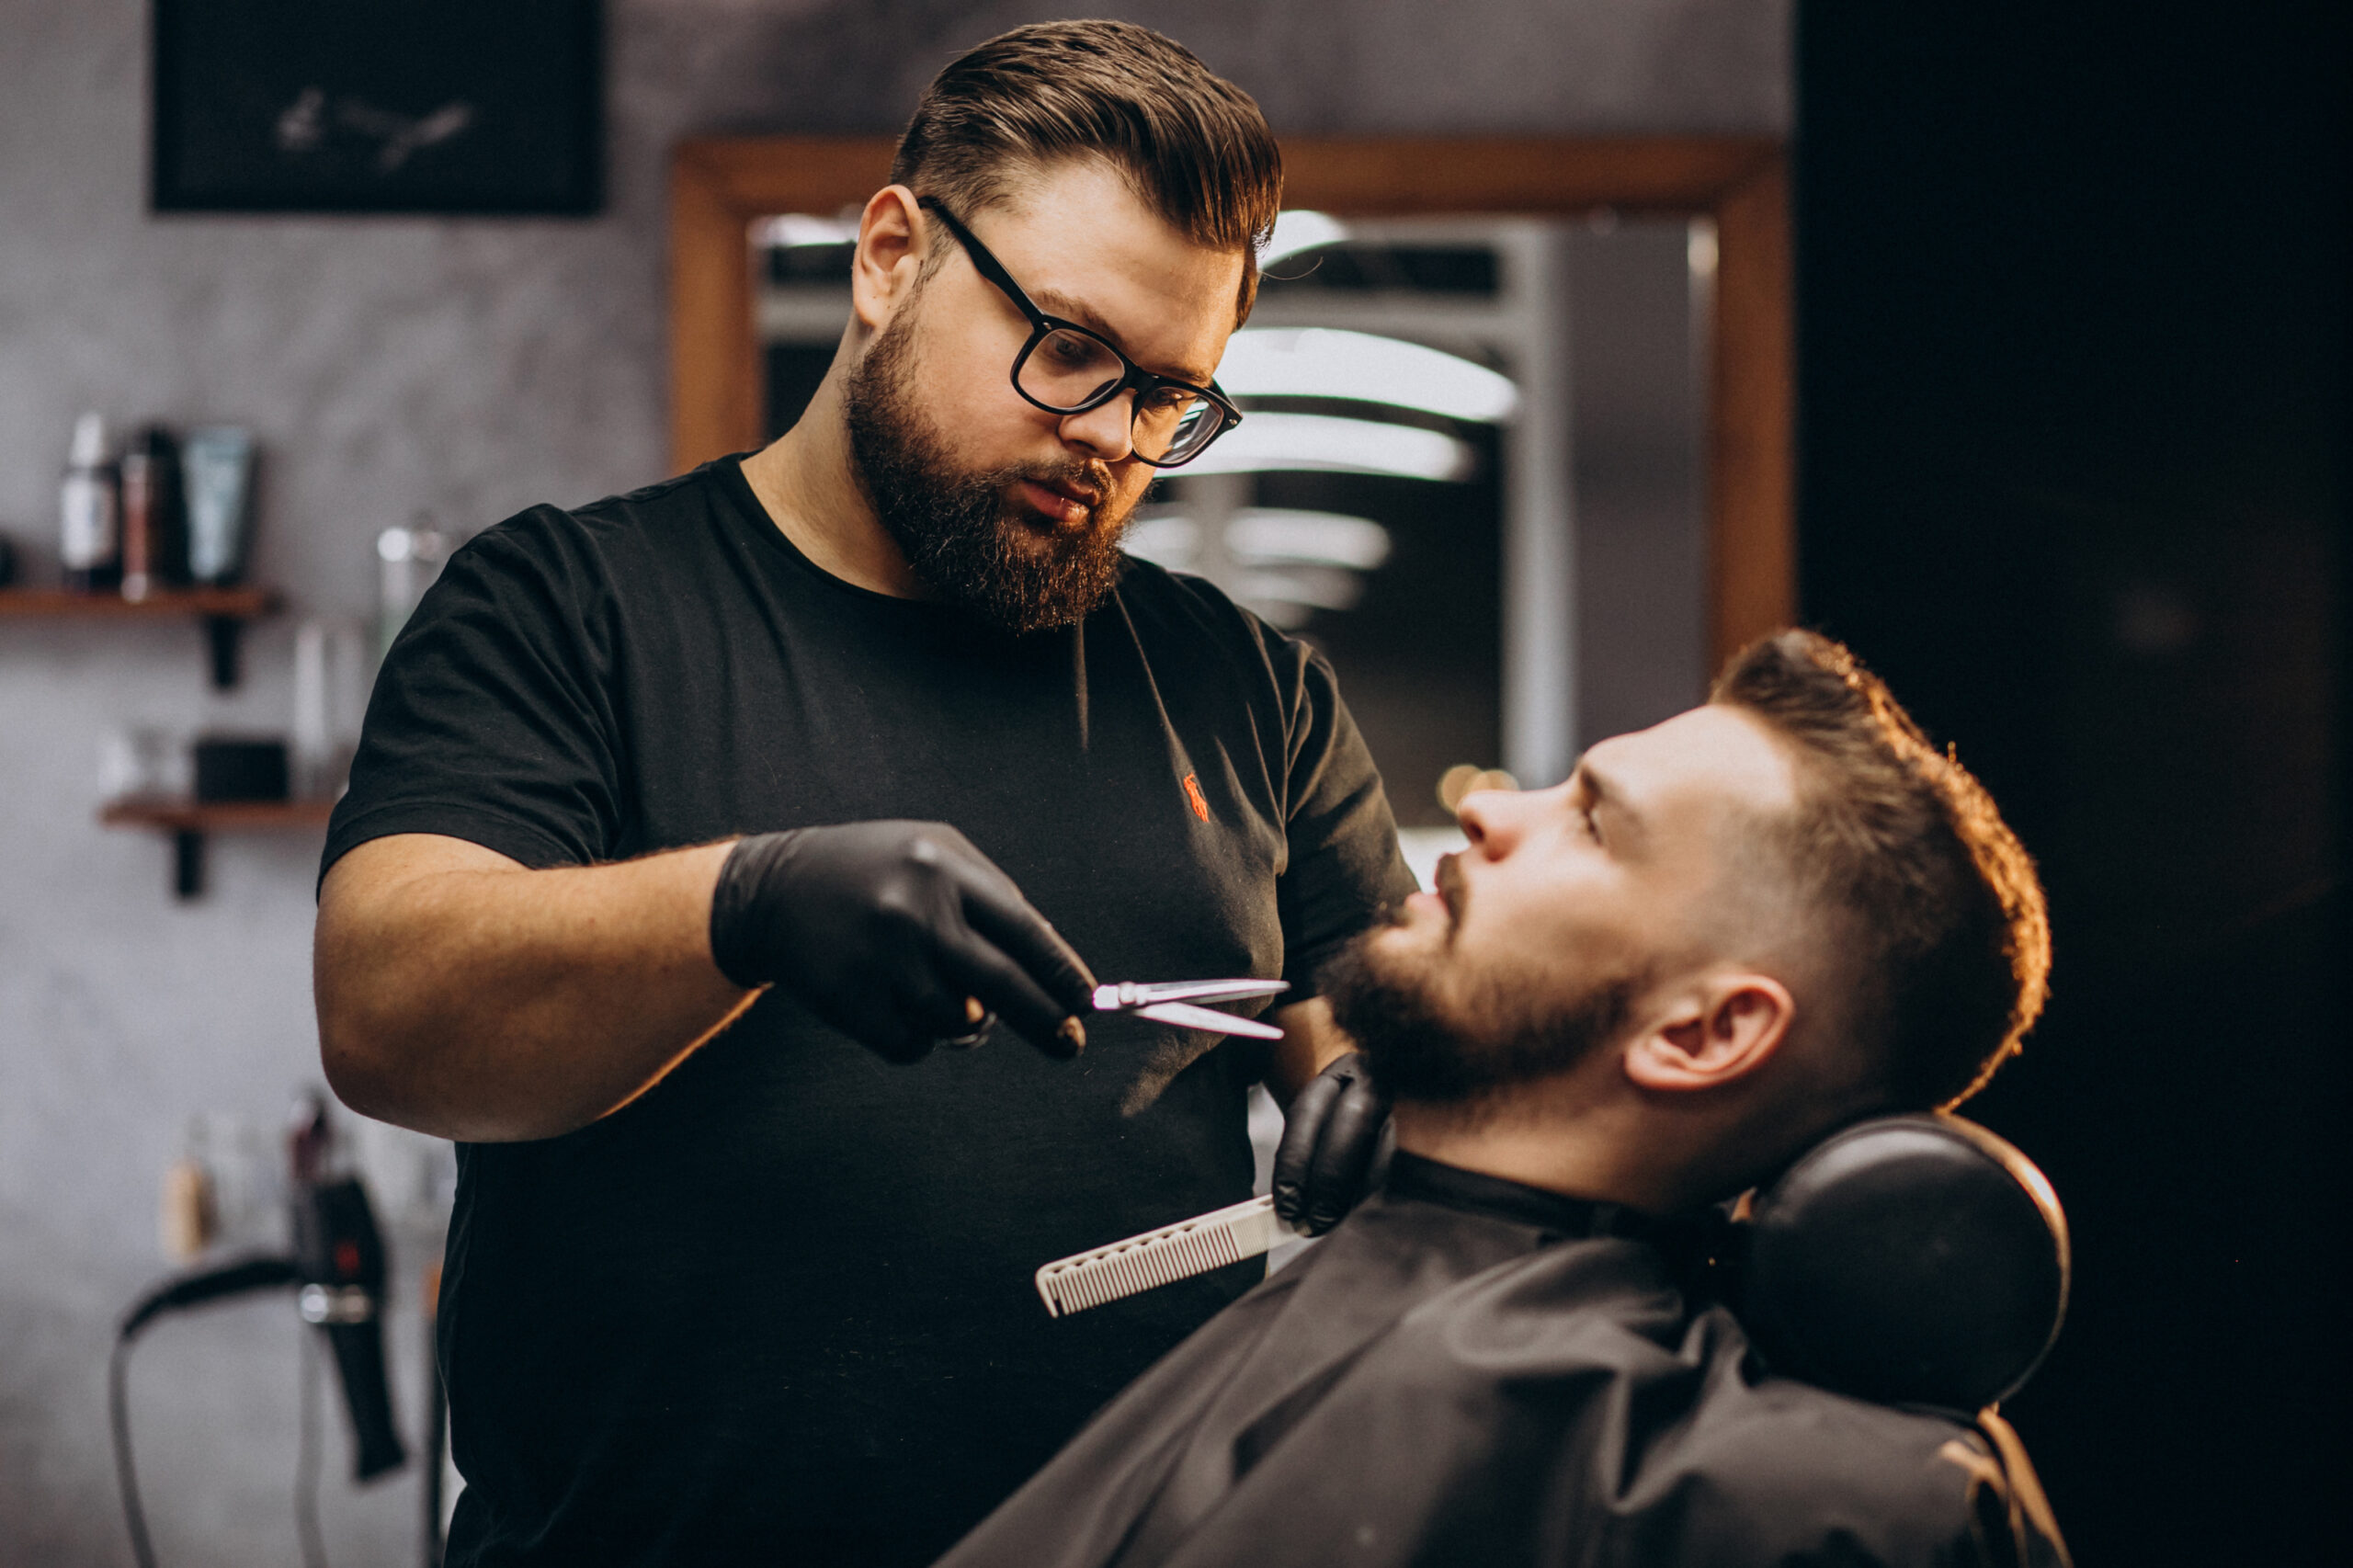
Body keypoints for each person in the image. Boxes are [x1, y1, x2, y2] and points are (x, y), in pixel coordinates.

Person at [312, 22, 1415, 1566]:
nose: (1109, 434)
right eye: (1073, 348)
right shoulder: (568, 607)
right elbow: (386, 1013)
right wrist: (741, 908)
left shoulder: (1248, 688)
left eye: (1171, 395)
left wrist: (1393, 1101)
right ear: (892, 254)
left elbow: (1381, 1048)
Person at [937, 629, 2072, 1568]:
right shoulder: (1411, 1288)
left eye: (1592, 821)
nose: (1494, 810)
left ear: (1705, 1031)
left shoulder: (1779, 1507)